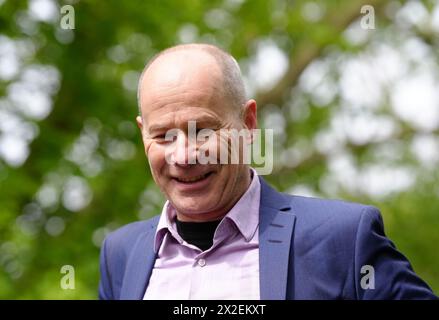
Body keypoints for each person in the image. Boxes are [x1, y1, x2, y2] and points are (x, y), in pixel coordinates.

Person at [98, 43, 437, 300]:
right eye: (162, 136)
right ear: (143, 133)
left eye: (203, 130)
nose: (184, 155)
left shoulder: (344, 240)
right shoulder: (121, 255)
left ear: (248, 124)